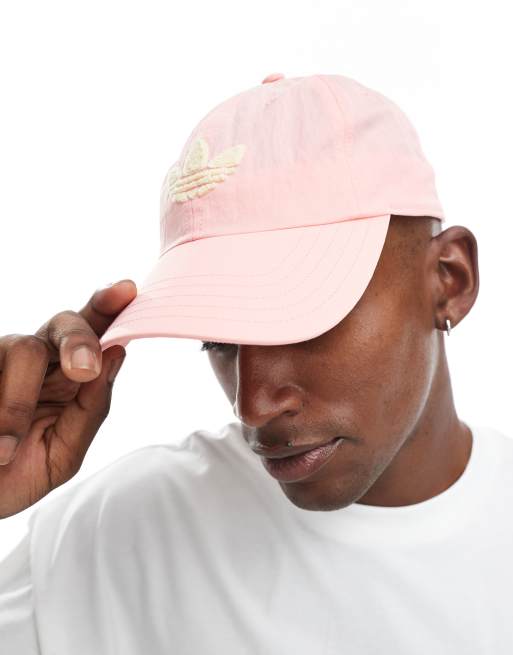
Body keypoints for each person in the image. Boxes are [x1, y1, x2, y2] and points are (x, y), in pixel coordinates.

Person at [1, 72, 512, 654]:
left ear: (449, 280)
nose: (253, 406)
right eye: (217, 339)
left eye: (309, 317)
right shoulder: (115, 537)